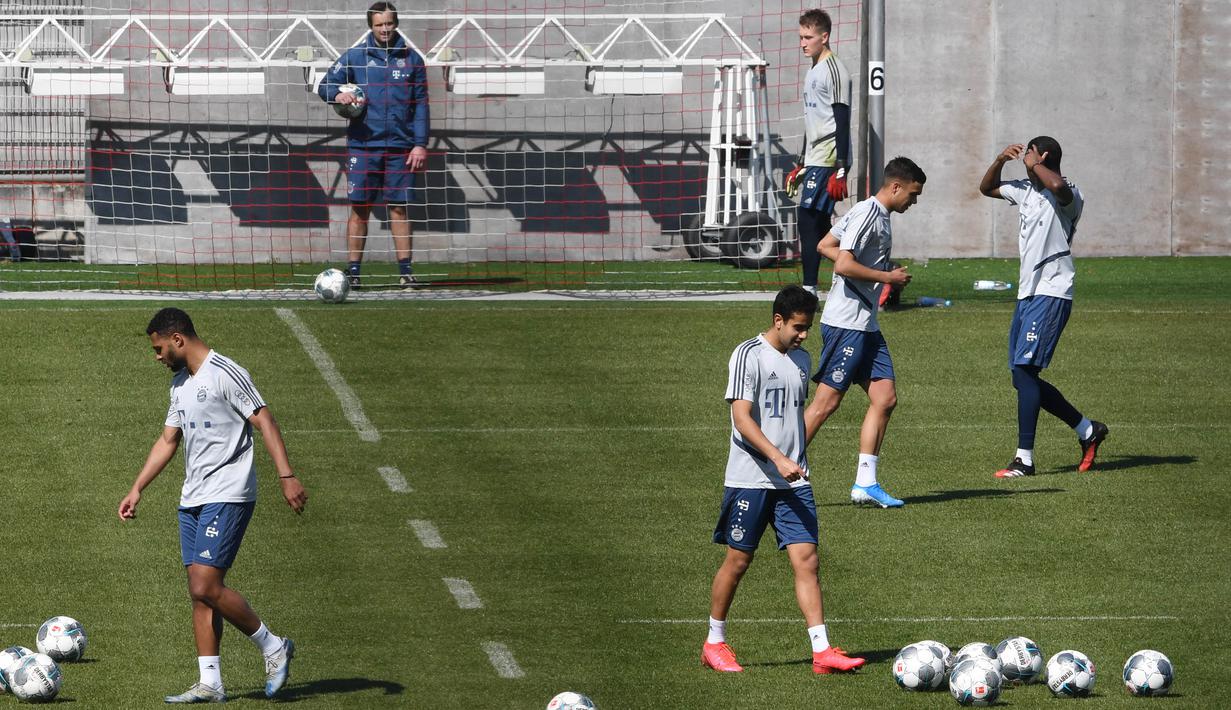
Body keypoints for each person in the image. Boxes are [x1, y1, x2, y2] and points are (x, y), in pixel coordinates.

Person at [118, 307, 308, 703]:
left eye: (158, 348)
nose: (156, 356)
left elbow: (265, 421)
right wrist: (138, 488)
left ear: (177, 338)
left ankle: (273, 646)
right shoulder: (180, 383)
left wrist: (286, 476)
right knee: (199, 591)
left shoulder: (225, 372)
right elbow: (169, 440)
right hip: (193, 498)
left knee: (206, 582)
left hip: (229, 492)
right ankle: (210, 681)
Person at [702, 285, 866, 676]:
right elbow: (742, 420)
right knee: (739, 561)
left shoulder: (802, 359)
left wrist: (794, 460)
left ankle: (822, 651)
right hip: (751, 479)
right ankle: (714, 642)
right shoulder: (747, 355)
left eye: (807, 327)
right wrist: (778, 458)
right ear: (778, 320)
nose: (804, 334)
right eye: (798, 326)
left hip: (793, 482)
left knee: (807, 560)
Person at [978, 137, 1107, 477]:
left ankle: (1024, 459)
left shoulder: (1069, 193)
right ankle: (1088, 430)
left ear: (1044, 156)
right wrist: (999, 161)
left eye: (1031, 155)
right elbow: (986, 187)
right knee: (1022, 378)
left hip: (1052, 291)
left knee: (1024, 373)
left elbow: (1059, 187)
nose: (1026, 161)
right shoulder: (1026, 190)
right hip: (1027, 294)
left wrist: (1035, 165)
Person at [804, 157, 926, 508]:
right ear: (896, 187)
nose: (913, 202)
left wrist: (871, 275)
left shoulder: (873, 215)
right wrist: (886, 277)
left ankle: (865, 483)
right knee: (826, 404)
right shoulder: (869, 214)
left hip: (865, 324)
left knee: (885, 398)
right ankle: (779, 466)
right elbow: (842, 261)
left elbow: (825, 246)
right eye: (913, 195)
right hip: (846, 325)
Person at [318, 1, 429, 289]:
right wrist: (337, 95)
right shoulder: (356, 56)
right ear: (371, 26)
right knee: (360, 208)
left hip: (400, 148)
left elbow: (421, 106)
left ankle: (406, 272)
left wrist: (420, 144)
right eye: (379, 24)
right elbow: (324, 85)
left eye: (389, 23)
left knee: (399, 208)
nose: (385, 29)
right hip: (363, 146)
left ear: (396, 23)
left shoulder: (412, 60)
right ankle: (354, 272)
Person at [787, 9, 852, 297]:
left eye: (808, 37)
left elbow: (842, 121)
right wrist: (801, 161)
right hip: (815, 158)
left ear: (824, 37)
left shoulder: (835, 70)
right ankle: (862, 274)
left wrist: (840, 167)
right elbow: (811, 120)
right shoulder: (811, 70)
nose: (803, 42)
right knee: (823, 226)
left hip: (829, 159)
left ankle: (809, 289)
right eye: (801, 37)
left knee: (807, 221)